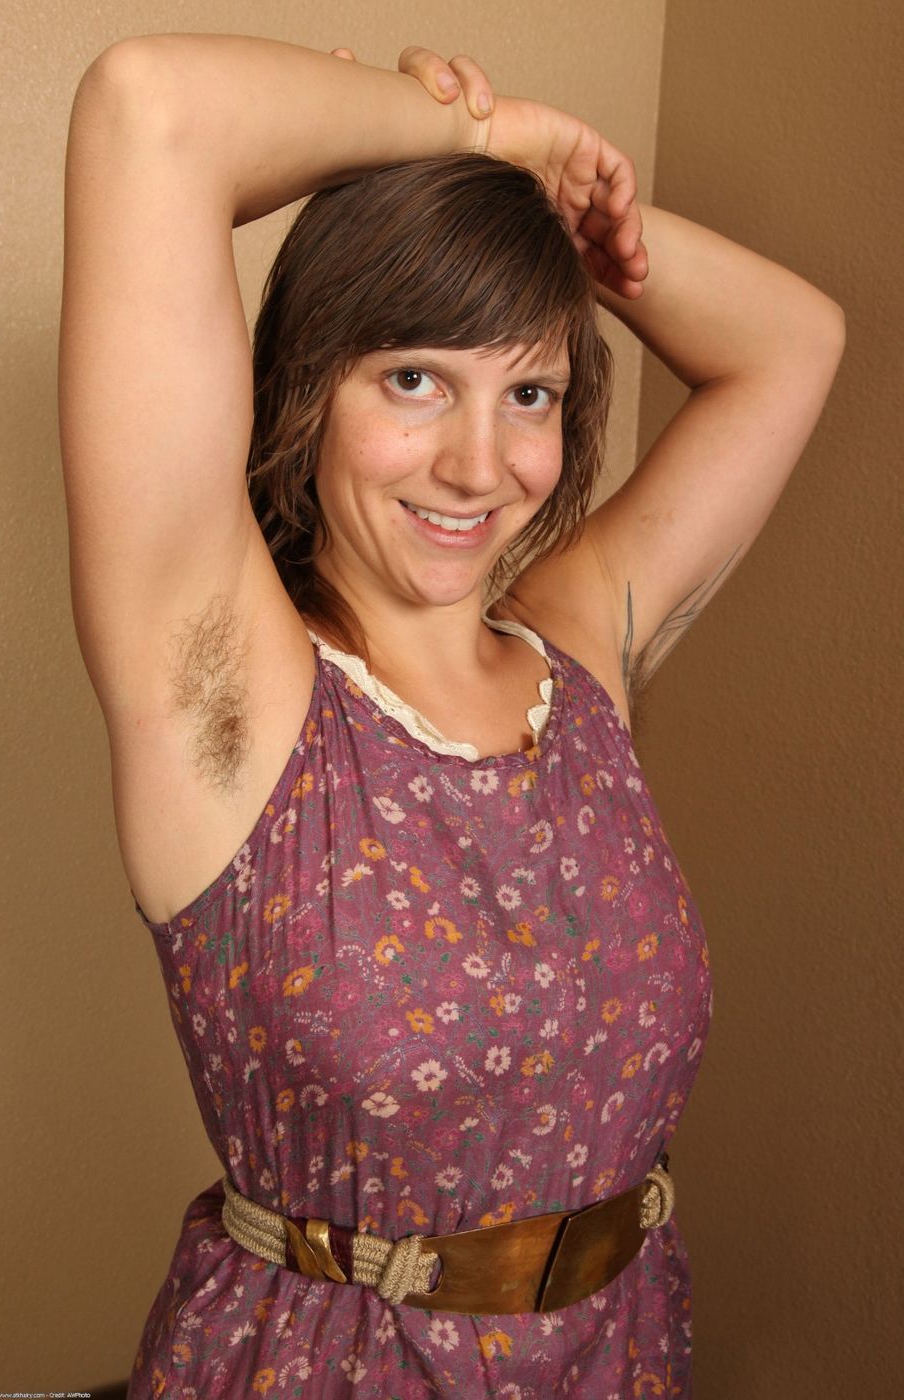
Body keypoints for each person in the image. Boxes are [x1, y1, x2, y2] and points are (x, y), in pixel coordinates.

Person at [58, 33, 845, 1398]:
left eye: (529, 393)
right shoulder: (223, 681)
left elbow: (795, 343)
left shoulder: (577, 646)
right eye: (415, 379)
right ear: (310, 385)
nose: (481, 466)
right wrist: (476, 140)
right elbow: (150, 109)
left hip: (622, 1357)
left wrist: (559, 220)